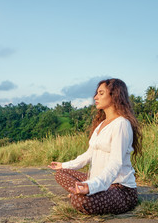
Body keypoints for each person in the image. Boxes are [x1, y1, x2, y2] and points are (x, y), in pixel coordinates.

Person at [48, 78, 142, 215]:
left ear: (114, 95)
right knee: (61, 173)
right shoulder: (101, 125)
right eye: (96, 93)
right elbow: (88, 155)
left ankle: (82, 193)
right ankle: (83, 191)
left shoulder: (121, 124)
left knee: (80, 201)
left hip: (121, 189)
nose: (95, 97)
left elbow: (116, 163)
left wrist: (91, 186)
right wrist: (63, 165)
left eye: (101, 93)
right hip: (99, 182)